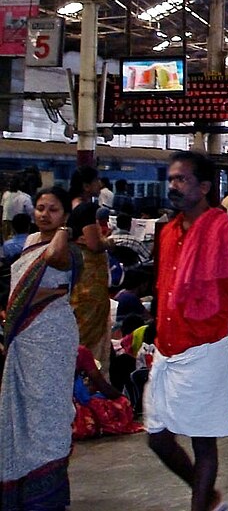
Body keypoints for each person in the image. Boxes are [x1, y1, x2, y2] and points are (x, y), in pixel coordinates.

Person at [145, 151, 228, 511]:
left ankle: (200, 505)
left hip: (204, 349)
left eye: (182, 180)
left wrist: (213, 331)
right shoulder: (169, 231)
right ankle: (207, 496)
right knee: (157, 437)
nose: (173, 186)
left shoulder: (223, 232)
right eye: (171, 178)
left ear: (204, 187)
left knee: (203, 442)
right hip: (167, 347)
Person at [0, 185, 82, 509]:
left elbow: (52, 258)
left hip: (52, 337)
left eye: (53, 209)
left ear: (65, 215)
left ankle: (46, 494)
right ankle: (20, 486)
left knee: (47, 414)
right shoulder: (28, 242)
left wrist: (64, 229)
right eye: (40, 208)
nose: (44, 214)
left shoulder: (66, 248)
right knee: (19, 413)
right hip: (25, 340)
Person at [68, 167, 113, 369]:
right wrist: (109, 242)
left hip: (75, 271)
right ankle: (90, 371)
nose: (99, 185)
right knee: (91, 327)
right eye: (96, 182)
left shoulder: (69, 206)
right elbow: (94, 244)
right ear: (87, 186)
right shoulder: (86, 209)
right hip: (90, 274)